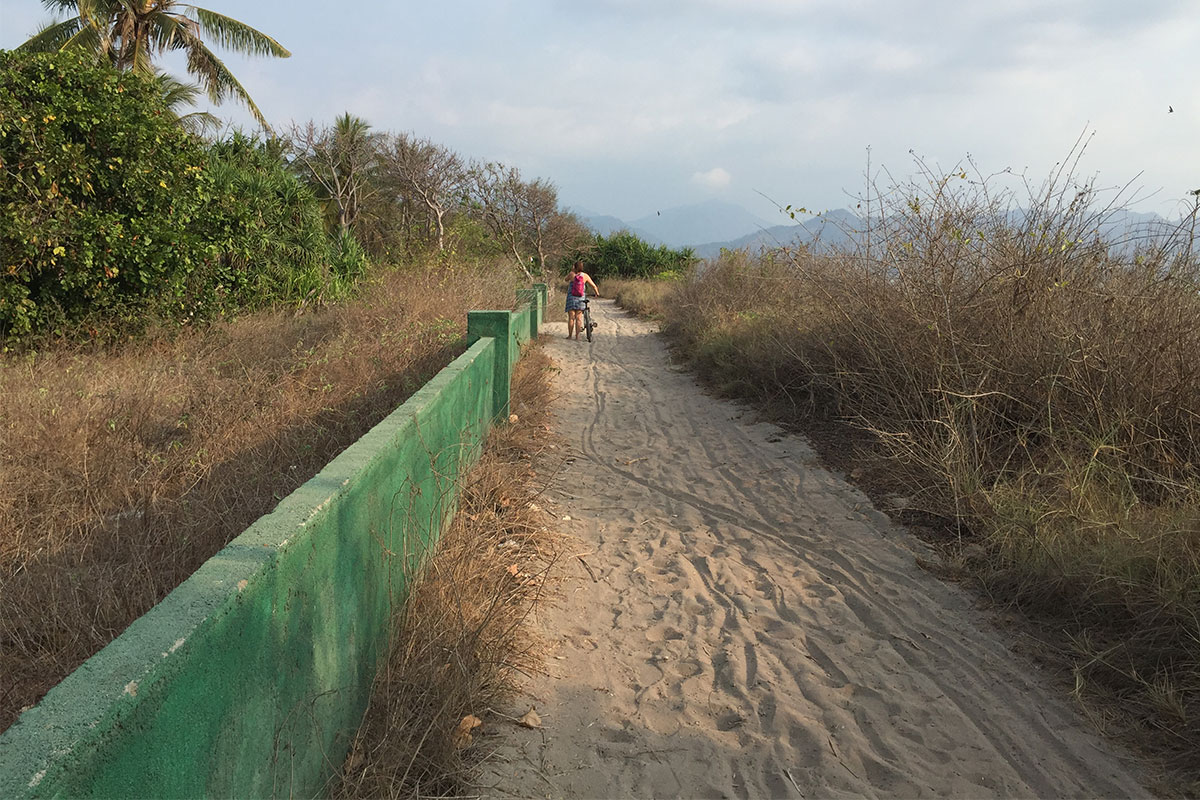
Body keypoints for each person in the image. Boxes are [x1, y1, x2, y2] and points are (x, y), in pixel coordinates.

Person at [564, 260, 600, 340]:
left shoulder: (571, 274)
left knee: (571, 318)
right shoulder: (585, 276)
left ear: (574, 267)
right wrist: (596, 293)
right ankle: (577, 337)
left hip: (571, 298)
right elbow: (594, 286)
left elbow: (565, 279)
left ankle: (570, 336)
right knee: (579, 318)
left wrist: (572, 271)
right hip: (581, 298)